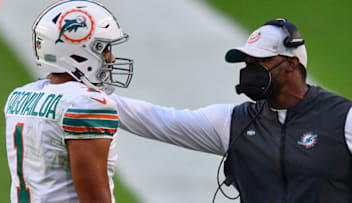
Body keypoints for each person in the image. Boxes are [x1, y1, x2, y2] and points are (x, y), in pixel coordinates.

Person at [111, 18, 352, 202]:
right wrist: (87, 96)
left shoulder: (344, 118)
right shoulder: (234, 122)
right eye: (248, 64)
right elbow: (157, 119)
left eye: (260, 63)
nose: (250, 72)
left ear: (291, 63)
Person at [4, 0, 133, 202]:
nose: (112, 59)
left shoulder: (21, 96)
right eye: (104, 49)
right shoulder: (86, 104)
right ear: (79, 53)